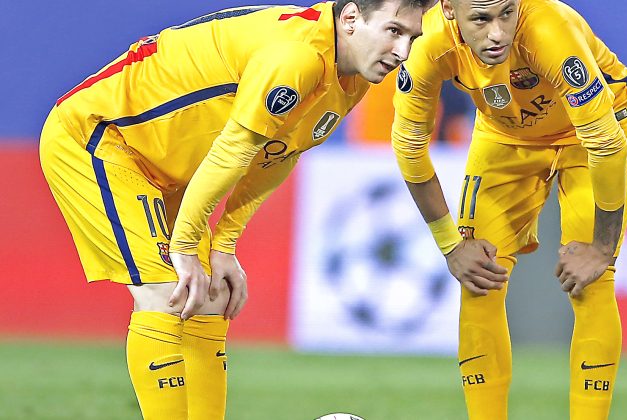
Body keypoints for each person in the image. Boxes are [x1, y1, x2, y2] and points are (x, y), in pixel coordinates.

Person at [39, 1, 428, 418]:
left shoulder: (351, 77)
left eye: (412, 37)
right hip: (99, 137)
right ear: (351, 18)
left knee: (211, 295)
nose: (403, 52)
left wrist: (223, 244)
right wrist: (186, 245)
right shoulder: (295, 57)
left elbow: (278, 154)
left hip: (165, 166)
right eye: (393, 31)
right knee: (166, 294)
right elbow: (235, 149)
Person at [390, 0, 627, 419]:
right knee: (479, 279)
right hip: (505, 135)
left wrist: (602, 248)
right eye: (482, 19)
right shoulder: (428, 43)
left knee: (592, 281)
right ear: (450, 11)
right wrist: (452, 246)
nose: (498, 33)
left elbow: (606, 142)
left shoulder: (550, 28)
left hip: (593, 132)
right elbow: (410, 145)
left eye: (507, 13)